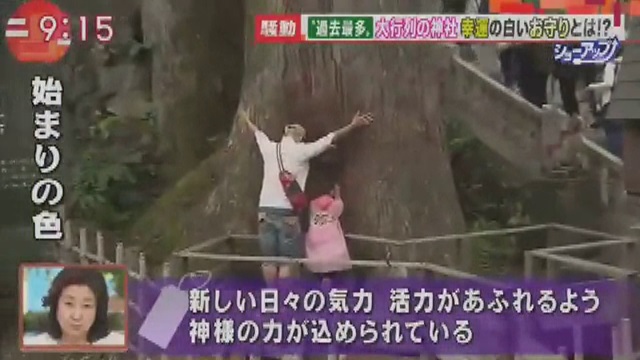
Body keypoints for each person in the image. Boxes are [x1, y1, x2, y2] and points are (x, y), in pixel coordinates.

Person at [240, 109, 373, 282]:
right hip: (287, 213)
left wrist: (245, 118)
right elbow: (330, 138)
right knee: (287, 262)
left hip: (264, 211)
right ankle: (284, 303)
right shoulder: (302, 151)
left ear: (285, 134)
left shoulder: (269, 148)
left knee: (268, 261)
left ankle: (270, 299)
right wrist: (353, 125)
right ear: (300, 138)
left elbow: (257, 131)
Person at [23, 267, 125, 347]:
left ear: (98, 309)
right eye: (69, 304)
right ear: (55, 304)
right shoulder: (32, 344)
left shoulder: (118, 342)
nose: (76, 316)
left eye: (87, 306)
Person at [305, 183, 351, 282]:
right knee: (333, 266)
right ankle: (330, 282)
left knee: (319, 266)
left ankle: (322, 281)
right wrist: (337, 195)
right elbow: (339, 205)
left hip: (315, 241)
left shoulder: (313, 206)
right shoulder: (333, 207)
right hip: (332, 241)